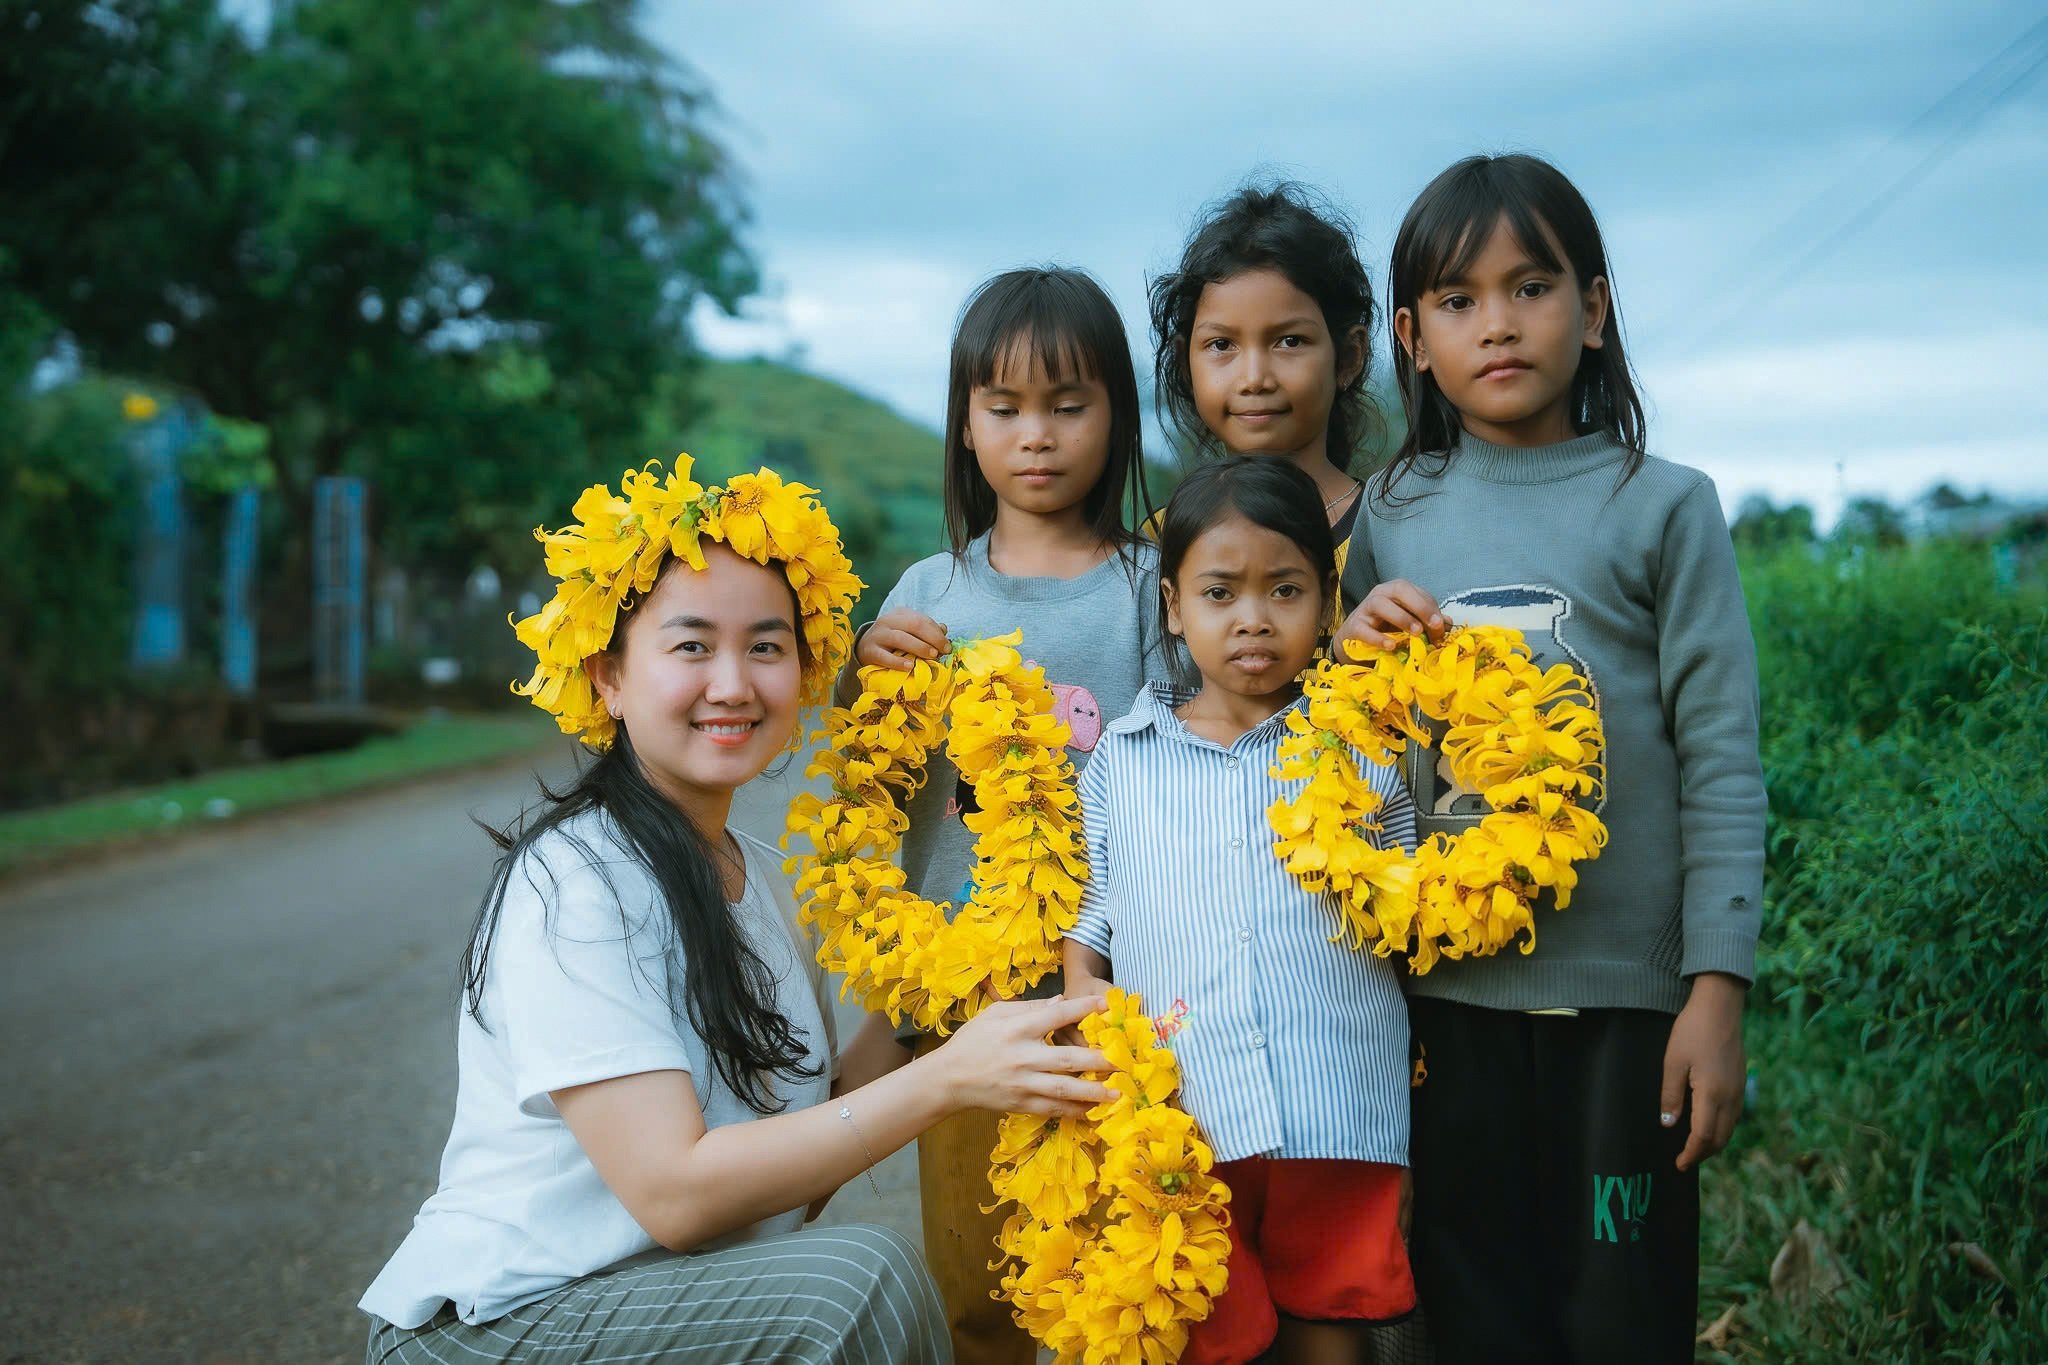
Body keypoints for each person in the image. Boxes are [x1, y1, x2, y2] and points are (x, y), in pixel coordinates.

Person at [358, 462, 1114, 1364]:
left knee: (846, 1271)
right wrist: (947, 1082)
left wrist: (965, 995)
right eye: (690, 647)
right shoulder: (576, 882)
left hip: (658, 1302)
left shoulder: (754, 871)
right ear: (606, 676)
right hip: (503, 1327)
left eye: (766, 646)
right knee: (857, 1278)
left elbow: (817, 1120)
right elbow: (677, 1195)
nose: (734, 684)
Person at [1335, 153, 1765, 1364]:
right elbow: (1346, 749)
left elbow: (1720, 756)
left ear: (1594, 305)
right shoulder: (1390, 510)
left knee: (1618, 1317)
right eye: (1459, 302)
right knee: (1473, 1315)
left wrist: (1714, 991)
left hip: (1627, 1009)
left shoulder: (1662, 506)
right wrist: (1348, 646)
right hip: (1447, 1005)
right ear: (1412, 338)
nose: (1499, 324)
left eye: (1529, 286)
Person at [845, 265, 1164, 1363]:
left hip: (1119, 992)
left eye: (1068, 405)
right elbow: (872, 774)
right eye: (1005, 408)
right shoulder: (924, 595)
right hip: (965, 1008)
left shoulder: (1149, 591)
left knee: (1120, 1282)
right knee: (979, 1294)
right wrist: (859, 671)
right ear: (965, 425)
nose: (1037, 435)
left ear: (1114, 417)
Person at [1064, 456, 1419, 1365]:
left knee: (1330, 1318)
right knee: (1207, 1331)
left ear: (1327, 599)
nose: (1253, 618)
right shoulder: (1124, 761)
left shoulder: (1365, 744)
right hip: (1188, 1106)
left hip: (1336, 1098)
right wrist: (1086, 1010)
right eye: (1220, 592)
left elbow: (1414, 903)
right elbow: (1093, 915)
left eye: (1285, 589)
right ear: (1175, 607)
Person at [1148, 182, 1383, 620]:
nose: (1254, 378)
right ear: (1186, 364)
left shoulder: (1390, 527)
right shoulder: (1159, 543)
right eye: (1222, 345)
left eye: (1289, 341)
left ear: (1349, 356)